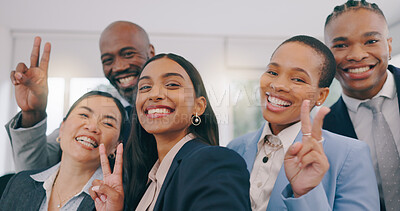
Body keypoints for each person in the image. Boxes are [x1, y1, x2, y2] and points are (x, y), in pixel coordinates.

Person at [228, 35, 379, 210]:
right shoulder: (234, 148)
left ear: (321, 95)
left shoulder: (350, 155)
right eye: (273, 72)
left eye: (298, 79)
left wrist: (305, 193)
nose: (278, 85)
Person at [89, 53, 251, 210]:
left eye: (172, 84)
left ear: (198, 106)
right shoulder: (147, 181)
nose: (154, 94)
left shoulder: (214, 161)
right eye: (145, 87)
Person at [5, 21, 155, 172]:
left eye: (128, 54)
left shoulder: (173, 105)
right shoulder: (95, 104)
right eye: (108, 60)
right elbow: (33, 169)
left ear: (151, 52)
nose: (119, 67)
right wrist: (32, 114)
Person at [322, 1, 400, 209]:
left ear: (389, 45)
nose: (356, 55)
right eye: (340, 45)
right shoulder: (322, 131)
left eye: (371, 41)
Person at [0, 91, 128, 210]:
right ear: (62, 128)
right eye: (84, 115)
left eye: (107, 123)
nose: (92, 127)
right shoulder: (20, 183)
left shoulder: (119, 199)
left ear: (117, 146)